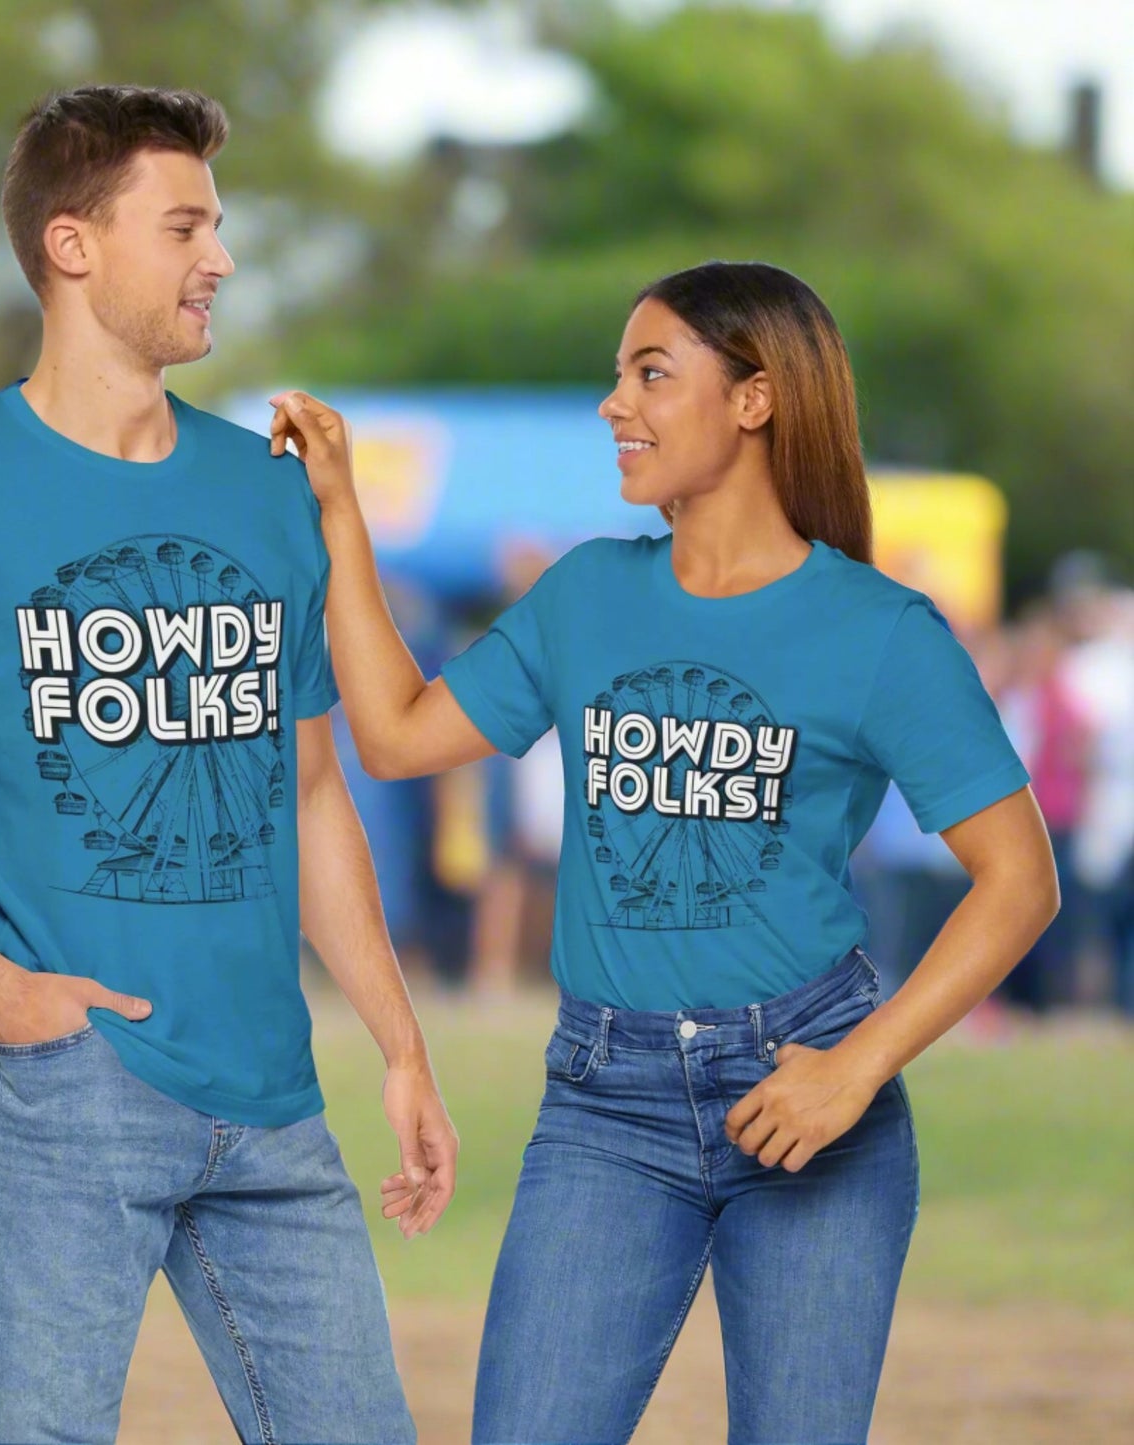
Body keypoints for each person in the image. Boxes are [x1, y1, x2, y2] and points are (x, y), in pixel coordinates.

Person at [269, 261, 1060, 1445]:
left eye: (650, 373)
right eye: (617, 374)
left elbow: (1019, 879)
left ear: (753, 401)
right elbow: (391, 735)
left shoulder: (878, 630)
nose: (612, 404)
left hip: (810, 1095)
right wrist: (340, 513)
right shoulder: (587, 594)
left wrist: (851, 1070)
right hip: (604, 1104)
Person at [0, 85, 454, 1445]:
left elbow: (310, 793)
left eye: (219, 226)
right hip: (53, 1088)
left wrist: (397, 1039)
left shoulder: (267, 491)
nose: (221, 257)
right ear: (73, 246)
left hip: (272, 1092)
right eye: (187, 224)